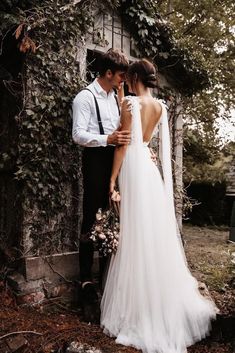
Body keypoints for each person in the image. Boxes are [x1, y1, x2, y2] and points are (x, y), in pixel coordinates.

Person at [100, 59, 218, 353]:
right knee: (151, 233)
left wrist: (112, 181)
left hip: (133, 169)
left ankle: (139, 309)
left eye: (128, 76)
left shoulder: (129, 105)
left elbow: (123, 143)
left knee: (135, 234)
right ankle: (159, 300)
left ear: (135, 77)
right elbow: (147, 141)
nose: (125, 80)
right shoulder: (161, 107)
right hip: (150, 172)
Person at [72, 49, 130, 322]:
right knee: (90, 221)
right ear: (108, 73)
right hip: (95, 161)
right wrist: (108, 139)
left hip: (115, 163)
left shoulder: (116, 98)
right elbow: (78, 135)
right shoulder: (85, 97)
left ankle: (106, 280)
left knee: (111, 220)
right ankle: (86, 283)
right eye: (121, 75)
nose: (123, 80)